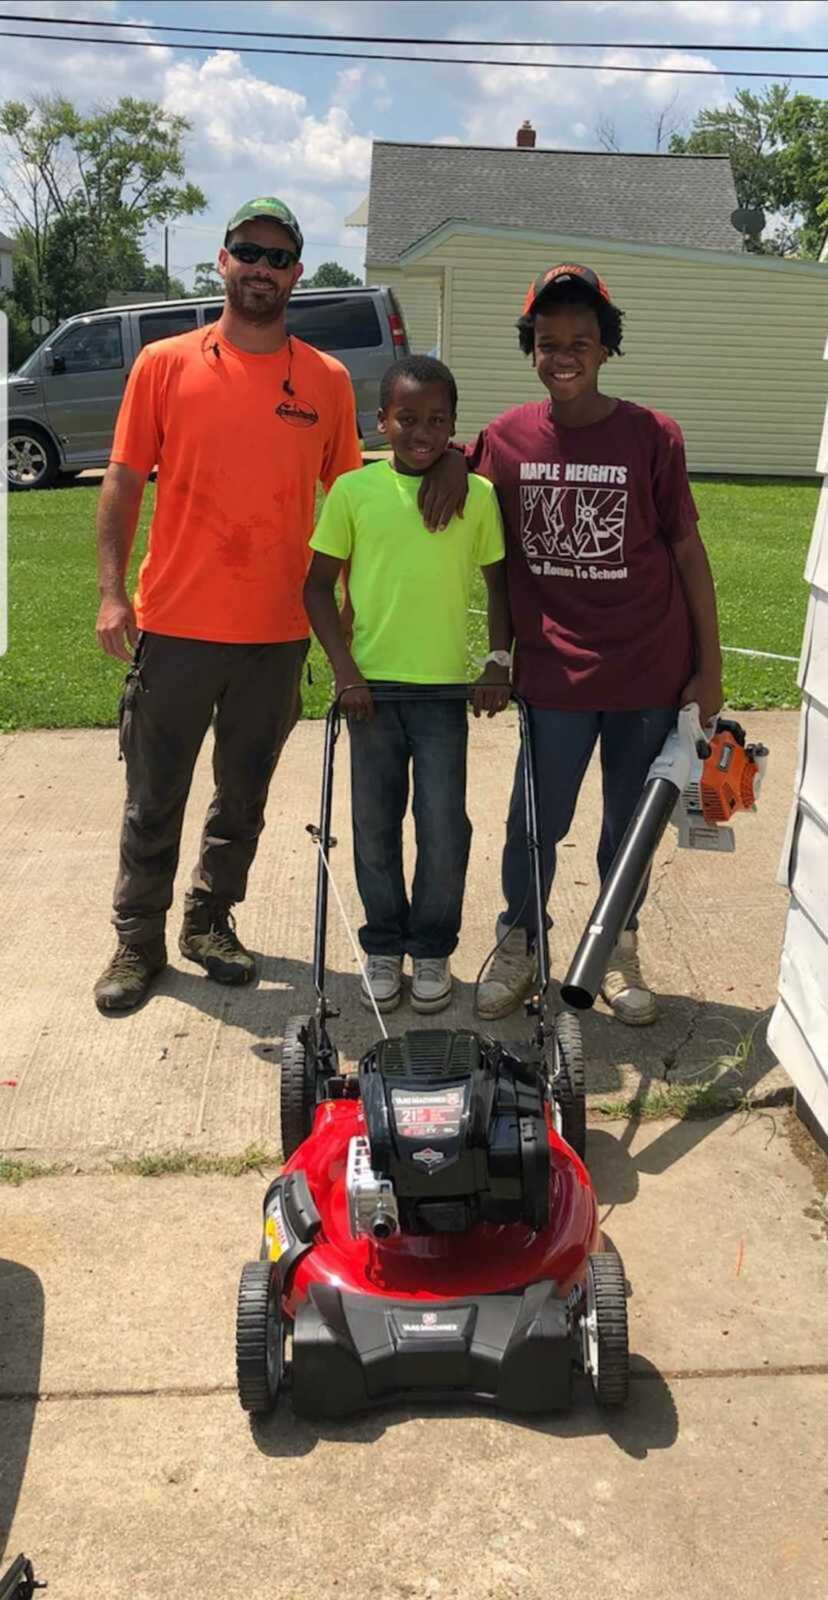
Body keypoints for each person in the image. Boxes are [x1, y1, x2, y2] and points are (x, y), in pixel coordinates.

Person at [419, 264, 723, 1026]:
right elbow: (454, 455)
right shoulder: (509, 437)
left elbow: (689, 553)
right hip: (553, 676)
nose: (564, 355)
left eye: (581, 341)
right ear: (532, 348)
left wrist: (708, 669)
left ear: (605, 347)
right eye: (548, 341)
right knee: (535, 825)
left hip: (648, 673)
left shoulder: (653, 436)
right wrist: (453, 455)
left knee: (630, 826)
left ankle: (616, 946)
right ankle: (521, 945)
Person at [93, 197, 363, 1013]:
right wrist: (112, 592)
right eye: (249, 251)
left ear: (297, 276)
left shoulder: (327, 380)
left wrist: (345, 605)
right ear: (221, 260)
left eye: (279, 258)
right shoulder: (165, 364)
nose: (262, 268)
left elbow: (348, 498)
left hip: (277, 634)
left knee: (243, 796)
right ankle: (136, 944)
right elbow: (122, 480)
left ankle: (208, 924)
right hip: (175, 624)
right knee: (153, 797)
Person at [304, 355, 510, 1015]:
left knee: (445, 828)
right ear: (381, 421)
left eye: (438, 420)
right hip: (371, 694)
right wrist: (345, 672)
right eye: (408, 418)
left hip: (445, 695)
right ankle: (384, 945)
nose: (423, 431)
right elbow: (315, 588)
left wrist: (498, 661)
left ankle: (432, 952)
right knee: (373, 826)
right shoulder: (353, 493)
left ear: (454, 424)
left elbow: (499, 584)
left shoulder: (475, 495)